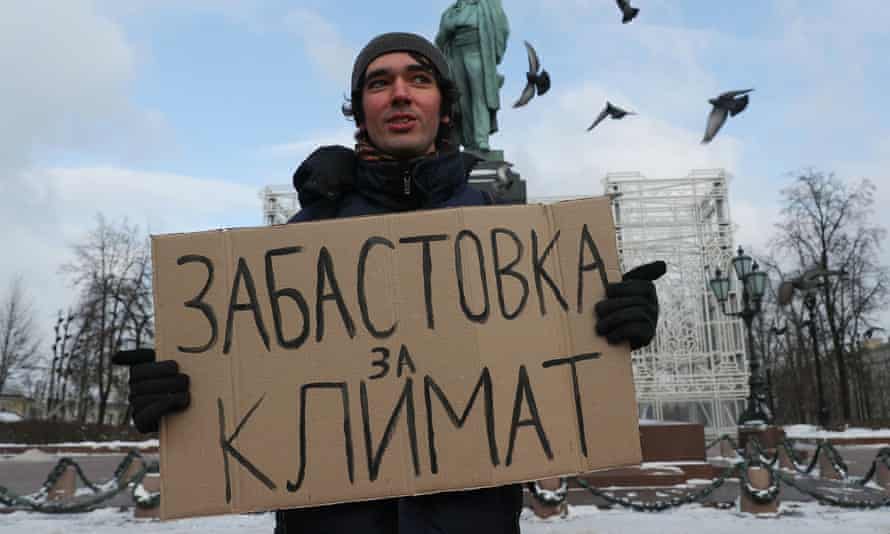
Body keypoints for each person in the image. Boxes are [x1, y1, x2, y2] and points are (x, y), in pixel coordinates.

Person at [113, 32, 664, 534]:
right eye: (380, 83)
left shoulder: (511, 239)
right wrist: (177, 398)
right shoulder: (298, 244)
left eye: (418, 80)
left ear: (444, 106)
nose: (400, 93)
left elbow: (546, 369)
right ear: (361, 110)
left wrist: (612, 325)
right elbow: (253, 392)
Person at [435, 0, 509, 153]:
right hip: (456, 56)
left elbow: (503, 29)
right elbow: (440, 40)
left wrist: (495, 54)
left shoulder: (488, 5)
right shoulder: (451, 12)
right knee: (461, 101)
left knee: (479, 96)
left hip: (477, 52)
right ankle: (469, 142)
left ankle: (481, 138)